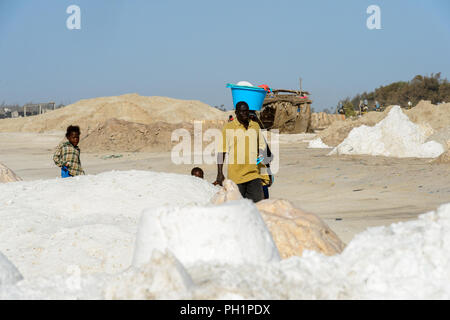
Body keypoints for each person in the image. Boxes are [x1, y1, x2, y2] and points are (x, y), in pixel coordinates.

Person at [215, 101, 267, 203]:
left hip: (254, 174)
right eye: (241, 111)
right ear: (236, 112)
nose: (244, 114)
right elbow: (222, 151)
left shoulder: (255, 126)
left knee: (258, 206)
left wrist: (259, 159)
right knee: (237, 207)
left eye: (246, 111)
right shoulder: (228, 127)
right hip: (236, 176)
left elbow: (261, 145)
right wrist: (219, 172)